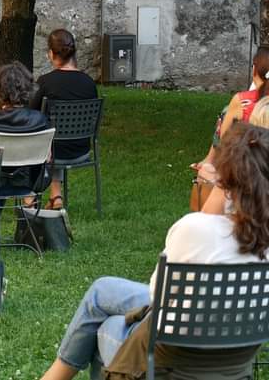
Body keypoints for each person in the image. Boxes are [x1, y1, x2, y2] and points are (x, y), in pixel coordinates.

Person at [41, 122, 269, 380]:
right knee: (102, 289)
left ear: (225, 178)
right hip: (234, 364)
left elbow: (157, 298)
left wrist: (218, 189)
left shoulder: (195, 229)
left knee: (107, 326)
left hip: (168, 366)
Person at [30, 29, 98, 210]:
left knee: (43, 137)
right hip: (81, 149)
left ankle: (29, 197)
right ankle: (56, 195)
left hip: (51, 152)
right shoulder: (89, 83)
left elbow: (32, 114)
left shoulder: (45, 82)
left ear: (51, 54)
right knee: (55, 137)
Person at [191, 46, 269, 172]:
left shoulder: (242, 100)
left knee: (227, 112)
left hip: (244, 170)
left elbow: (224, 142)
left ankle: (210, 161)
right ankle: (209, 160)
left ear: (254, 69)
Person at [0, 61, 49, 204]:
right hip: (29, 184)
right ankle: (29, 209)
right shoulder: (40, 120)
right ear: (28, 89)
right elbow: (48, 157)